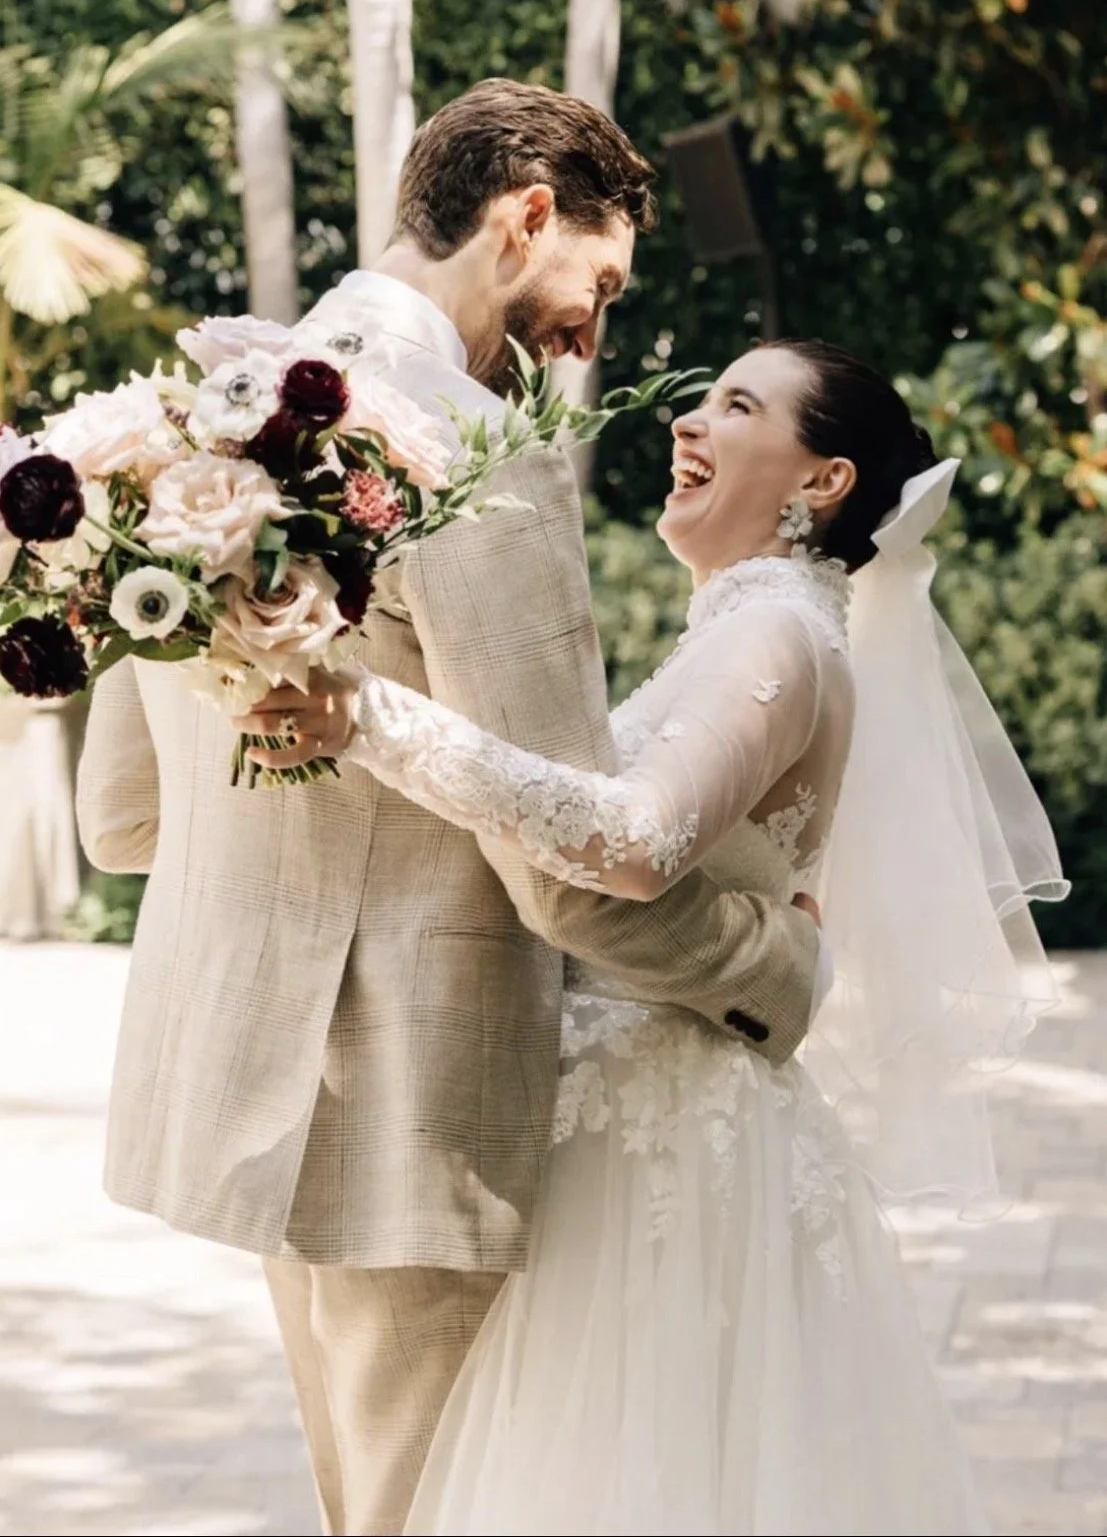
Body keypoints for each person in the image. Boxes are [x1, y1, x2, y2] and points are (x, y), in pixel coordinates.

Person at [74, 80, 829, 1537]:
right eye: (594, 285)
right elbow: (560, 872)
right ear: (526, 216)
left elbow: (123, 815)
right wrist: (768, 968)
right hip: (419, 1102)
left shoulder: (204, 412)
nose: (590, 338)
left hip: (241, 1073)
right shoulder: (469, 453)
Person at [244, 338, 1066, 1535]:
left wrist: (368, 716)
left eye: (736, 405)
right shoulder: (752, 626)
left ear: (820, 481)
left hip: (667, 1138)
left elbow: (629, 840)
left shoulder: (778, 633)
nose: (688, 421)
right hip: (648, 1109)